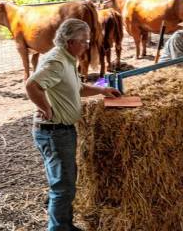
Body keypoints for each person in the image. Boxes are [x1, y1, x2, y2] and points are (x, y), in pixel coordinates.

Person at [27, 19, 121, 231]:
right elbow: (32, 85)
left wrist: (102, 91)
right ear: (70, 41)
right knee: (62, 185)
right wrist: (45, 108)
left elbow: (77, 88)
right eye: (84, 41)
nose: (87, 45)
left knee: (66, 182)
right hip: (53, 131)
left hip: (62, 130)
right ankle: (58, 228)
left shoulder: (67, 58)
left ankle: (64, 224)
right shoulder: (57, 62)